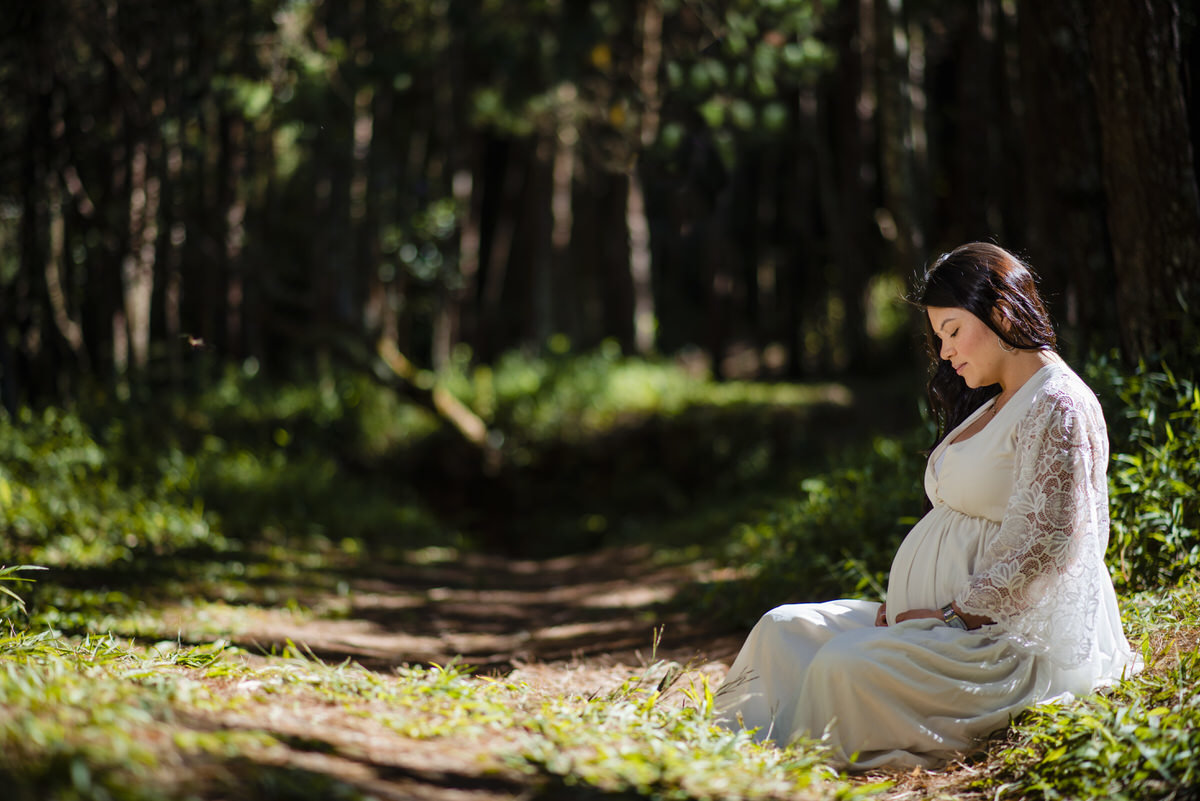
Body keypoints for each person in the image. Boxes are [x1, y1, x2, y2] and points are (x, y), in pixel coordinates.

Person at [713, 242, 1140, 770]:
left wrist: (950, 617)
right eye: (939, 337)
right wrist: (921, 615)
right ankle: (729, 763)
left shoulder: (1057, 403)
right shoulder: (999, 399)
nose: (946, 352)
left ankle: (787, 771)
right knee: (783, 631)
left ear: (1000, 310)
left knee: (842, 667)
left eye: (954, 331)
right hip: (935, 626)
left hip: (1001, 645)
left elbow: (1051, 545)